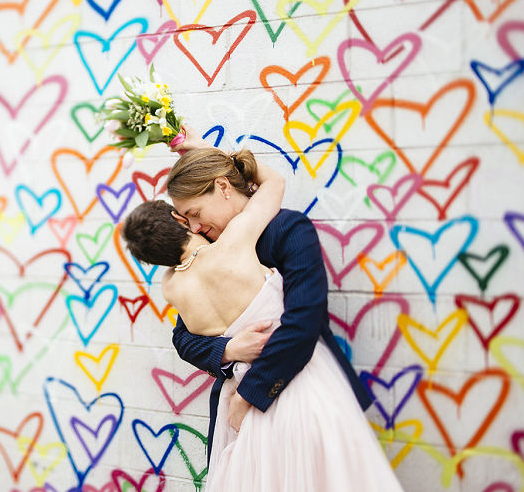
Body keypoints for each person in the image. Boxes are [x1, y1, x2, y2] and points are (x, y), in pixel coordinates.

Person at [122, 136, 402, 490]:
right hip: (240, 406)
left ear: (222, 187)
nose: (193, 228)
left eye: (194, 214)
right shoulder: (206, 251)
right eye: (185, 220)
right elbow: (183, 339)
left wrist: (248, 396)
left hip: (295, 390)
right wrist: (227, 350)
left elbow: (304, 320)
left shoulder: (287, 229)